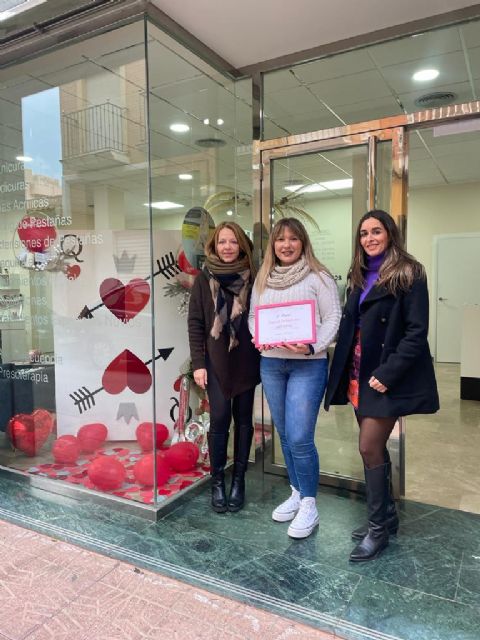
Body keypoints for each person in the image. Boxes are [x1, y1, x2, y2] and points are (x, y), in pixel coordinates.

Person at [324, 209, 439, 562]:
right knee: (374, 449)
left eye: (376, 231)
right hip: (358, 369)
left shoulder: (409, 272)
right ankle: (387, 516)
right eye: (363, 233)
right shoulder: (358, 273)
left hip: (384, 373)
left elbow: (417, 332)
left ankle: (377, 531)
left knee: (368, 446)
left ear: (389, 233)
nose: (369, 238)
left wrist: (389, 374)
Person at [249, 218, 341, 539]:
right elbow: (253, 317)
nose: (286, 245)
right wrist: (258, 336)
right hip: (272, 364)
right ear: (273, 245)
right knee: (286, 435)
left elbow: (333, 317)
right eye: (280, 239)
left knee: (300, 437)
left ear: (303, 242)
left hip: (308, 365)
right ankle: (297, 493)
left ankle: (310, 505)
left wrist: (313, 345)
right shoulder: (264, 278)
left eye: (293, 239)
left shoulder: (319, 276)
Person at [188, 221, 260, 513]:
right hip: (216, 361)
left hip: (247, 361)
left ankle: (238, 480)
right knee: (219, 418)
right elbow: (195, 323)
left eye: (233, 241)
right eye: (222, 242)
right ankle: (217, 481)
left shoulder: (254, 277)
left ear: (241, 245)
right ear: (214, 246)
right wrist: (198, 363)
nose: (227, 247)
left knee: (243, 420)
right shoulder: (203, 279)